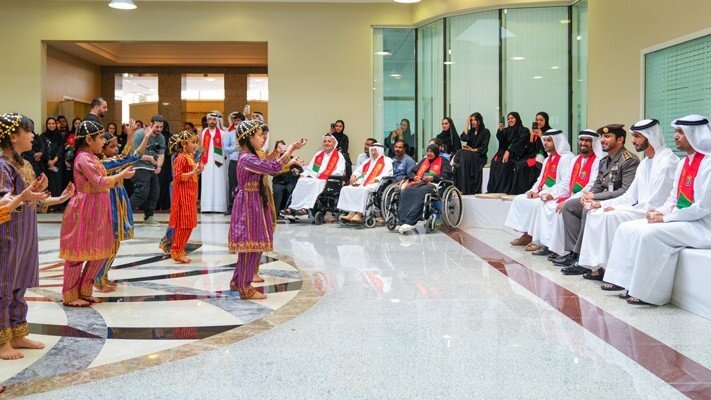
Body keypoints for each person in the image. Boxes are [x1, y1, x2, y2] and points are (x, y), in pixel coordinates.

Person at [603, 115, 711, 306]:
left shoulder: (708, 164)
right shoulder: (685, 162)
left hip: (702, 226)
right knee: (628, 228)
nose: (675, 136)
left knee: (649, 235)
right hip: (684, 220)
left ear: (696, 135)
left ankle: (649, 293)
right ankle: (627, 283)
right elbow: (673, 198)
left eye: (681, 132)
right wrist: (659, 212)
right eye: (676, 132)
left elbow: (703, 207)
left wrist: (667, 217)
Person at [0, 113, 73, 360]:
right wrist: (25, 197)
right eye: (28, 131)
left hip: (26, 232)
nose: (33, 136)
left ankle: (18, 332)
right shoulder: (2, 166)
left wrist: (57, 199)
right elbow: (5, 203)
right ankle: (2, 340)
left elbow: (33, 202)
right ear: (12, 136)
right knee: (4, 285)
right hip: (8, 234)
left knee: (19, 284)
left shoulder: (26, 164)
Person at [576, 119, 679, 281]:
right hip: (640, 209)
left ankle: (614, 272)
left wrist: (617, 208)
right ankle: (598, 266)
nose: (633, 141)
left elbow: (654, 204)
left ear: (650, 137)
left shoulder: (667, 162)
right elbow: (630, 196)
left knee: (611, 217)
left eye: (637, 136)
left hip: (653, 213)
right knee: (596, 212)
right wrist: (602, 204)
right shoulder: (645, 163)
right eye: (633, 136)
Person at [60, 120, 135, 307]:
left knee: (100, 251)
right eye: (100, 138)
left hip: (98, 207)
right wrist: (121, 176)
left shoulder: (93, 157)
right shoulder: (83, 158)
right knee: (78, 252)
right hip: (84, 208)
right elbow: (99, 181)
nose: (103, 141)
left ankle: (85, 290)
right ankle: (70, 295)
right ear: (88, 139)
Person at [228, 120, 305, 299]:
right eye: (259, 135)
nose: (262, 138)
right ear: (248, 138)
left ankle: (238, 281)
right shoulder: (248, 158)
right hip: (249, 203)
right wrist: (291, 149)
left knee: (251, 245)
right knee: (250, 245)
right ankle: (245, 287)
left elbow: (269, 167)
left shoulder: (249, 157)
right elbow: (273, 168)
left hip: (252, 200)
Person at [553, 124, 641, 272]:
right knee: (569, 206)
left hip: (617, 202)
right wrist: (588, 194)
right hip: (600, 198)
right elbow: (598, 184)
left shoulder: (629, 160)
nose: (602, 140)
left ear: (620, 140)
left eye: (607, 136)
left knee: (588, 209)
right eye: (601, 137)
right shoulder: (604, 160)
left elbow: (624, 191)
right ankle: (576, 253)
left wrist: (595, 197)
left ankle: (582, 259)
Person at [94, 121, 150, 292]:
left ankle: (103, 275)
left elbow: (128, 154)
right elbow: (130, 156)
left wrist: (136, 137)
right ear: (102, 149)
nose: (115, 149)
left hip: (117, 199)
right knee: (109, 242)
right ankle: (98, 277)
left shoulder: (111, 161)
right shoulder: (103, 164)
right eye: (111, 147)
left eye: (115, 146)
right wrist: (136, 137)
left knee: (115, 242)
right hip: (109, 202)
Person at [528, 130, 603, 257]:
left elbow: (591, 186)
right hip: (570, 195)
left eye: (588, 140)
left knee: (560, 209)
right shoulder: (576, 160)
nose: (584, 143)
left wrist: (568, 201)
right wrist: (552, 195)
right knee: (547, 205)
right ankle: (549, 245)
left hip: (584, 197)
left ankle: (562, 250)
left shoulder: (598, 160)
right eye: (582, 140)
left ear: (594, 143)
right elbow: (565, 183)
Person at [505, 129, 574, 247]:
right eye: (544, 140)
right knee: (520, 199)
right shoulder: (547, 159)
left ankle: (538, 239)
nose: (545, 143)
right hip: (543, 191)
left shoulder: (566, 158)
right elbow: (540, 179)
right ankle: (527, 234)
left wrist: (542, 194)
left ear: (557, 141)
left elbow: (564, 184)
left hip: (557, 193)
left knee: (538, 204)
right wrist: (533, 190)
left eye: (549, 140)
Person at [282, 134, 346, 217]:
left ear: (334, 144)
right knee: (302, 181)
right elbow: (311, 169)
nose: (326, 143)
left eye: (329, 141)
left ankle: (305, 208)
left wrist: (325, 175)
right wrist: (303, 174)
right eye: (325, 141)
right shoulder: (318, 155)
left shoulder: (339, 156)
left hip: (329, 180)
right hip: (314, 178)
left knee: (316, 183)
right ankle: (293, 208)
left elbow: (340, 171)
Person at [397, 143, 453, 233]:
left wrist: (433, 177)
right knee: (406, 190)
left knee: (421, 192)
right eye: (427, 151)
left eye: (431, 152)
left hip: (434, 184)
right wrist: (414, 177)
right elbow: (411, 172)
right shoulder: (424, 161)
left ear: (436, 152)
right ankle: (403, 219)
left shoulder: (443, 161)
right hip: (419, 183)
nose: (429, 153)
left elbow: (447, 174)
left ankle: (411, 221)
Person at [167, 130, 204, 263]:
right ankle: (176, 250)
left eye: (196, 142)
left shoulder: (189, 156)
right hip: (183, 196)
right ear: (184, 144)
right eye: (193, 142)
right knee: (184, 224)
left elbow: (191, 175)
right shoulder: (181, 157)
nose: (195, 145)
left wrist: (197, 171)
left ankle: (180, 248)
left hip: (190, 194)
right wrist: (193, 172)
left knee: (188, 224)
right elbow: (178, 176)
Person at [338, 143, 393, 223]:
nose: (373, 152)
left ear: (380, 151)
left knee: (363, 190)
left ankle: (360, 214)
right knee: (346, 188)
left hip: (377, 183)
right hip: (362, 182)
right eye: (372, 150)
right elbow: (358, 170)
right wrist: (353, 176)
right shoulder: (368, 161)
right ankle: (351, 212)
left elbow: (388, 173)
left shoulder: (387, 160)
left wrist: (376, 179)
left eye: (375, 150)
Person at [129, 114, 166, 225]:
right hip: (138, 165)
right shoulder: (140, 134)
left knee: (155, 192)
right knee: (142, 192)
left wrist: (159, 166)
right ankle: (123, 214)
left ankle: (149, 217)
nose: (159, 130)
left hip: (150, 167)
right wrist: (150, 158)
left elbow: (161, 154)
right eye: (156, 127)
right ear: (151, 124)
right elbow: (133, 154)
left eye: (161, 127)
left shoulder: (161, 138)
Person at [487, 112, 527, 194]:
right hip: (505, 153)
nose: (510, 120)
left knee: (505, 163)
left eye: (512, 118)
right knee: (494, 162)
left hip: (516, 154)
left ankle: (503, 189)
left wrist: (509, 151)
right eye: (508, 119)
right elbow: (502, 142)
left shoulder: (523, 130)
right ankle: (494, 189)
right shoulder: (506, 130)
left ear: (517, 119)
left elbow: (520, 143)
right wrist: (500, 131)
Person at [510, 112, 547, 194]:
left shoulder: (548, 132)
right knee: (518, 164)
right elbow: (530, 150)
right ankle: (517, 191)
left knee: (522, 165)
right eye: (537, 120)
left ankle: (524, 191)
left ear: (546, 121)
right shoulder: (535, 133)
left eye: (541, 120)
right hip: (533, 156)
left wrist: (541, 136)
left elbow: (547, 149)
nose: (539, 122)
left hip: (542, 158)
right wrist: (531, 137)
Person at [453, 112, 490, 194]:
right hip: (468, 156)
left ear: (479, 121)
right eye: (471, 120)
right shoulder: (471, 132)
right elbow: (463, 138)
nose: (473, 122)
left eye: (475, 120)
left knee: (463, 154)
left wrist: (473, 150)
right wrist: (466, 123)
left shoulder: (486, 132)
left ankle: (464, 188)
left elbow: (484, 148)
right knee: (459, 152)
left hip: (479, 156)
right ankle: (459, 187)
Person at [200, 111, 228, 213]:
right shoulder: (203, 133)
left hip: (219, 162)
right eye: (210, 120)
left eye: (213, 119)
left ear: (217, 121)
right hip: (206, 162)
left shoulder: (223, 133)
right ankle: (206, 207)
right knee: (207, 183)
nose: (211, 121)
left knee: (218, 182)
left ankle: (219, 207)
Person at [224, 112, 247, 215]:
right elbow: (225, 149)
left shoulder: (247, 134)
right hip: (234, 161)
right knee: (232, 184)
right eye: (235, 121)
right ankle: (231, 207)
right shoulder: (229, 134)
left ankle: (244, 207)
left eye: (239, 121)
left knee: (244, 184)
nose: (237, 123)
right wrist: (235, 148)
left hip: (245, 162)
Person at [272, 140, 303, 213]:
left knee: (290, 189)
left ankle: (288, 212)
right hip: (278, 182)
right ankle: (276, 213)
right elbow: (274, 171)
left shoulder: (292, 158)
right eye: (279, 147)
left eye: (282, 147)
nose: (281, 148)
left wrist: (297, 170)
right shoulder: (274, 160)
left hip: (289, 182)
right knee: (277, 191)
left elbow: (300, 169)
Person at [156, 121, 173, 211]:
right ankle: (166, 204)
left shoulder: (158, 137)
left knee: (158, 183)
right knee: (166, 183)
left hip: (158, 162)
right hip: (167, 163)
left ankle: (157, 205)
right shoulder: (170, 137)